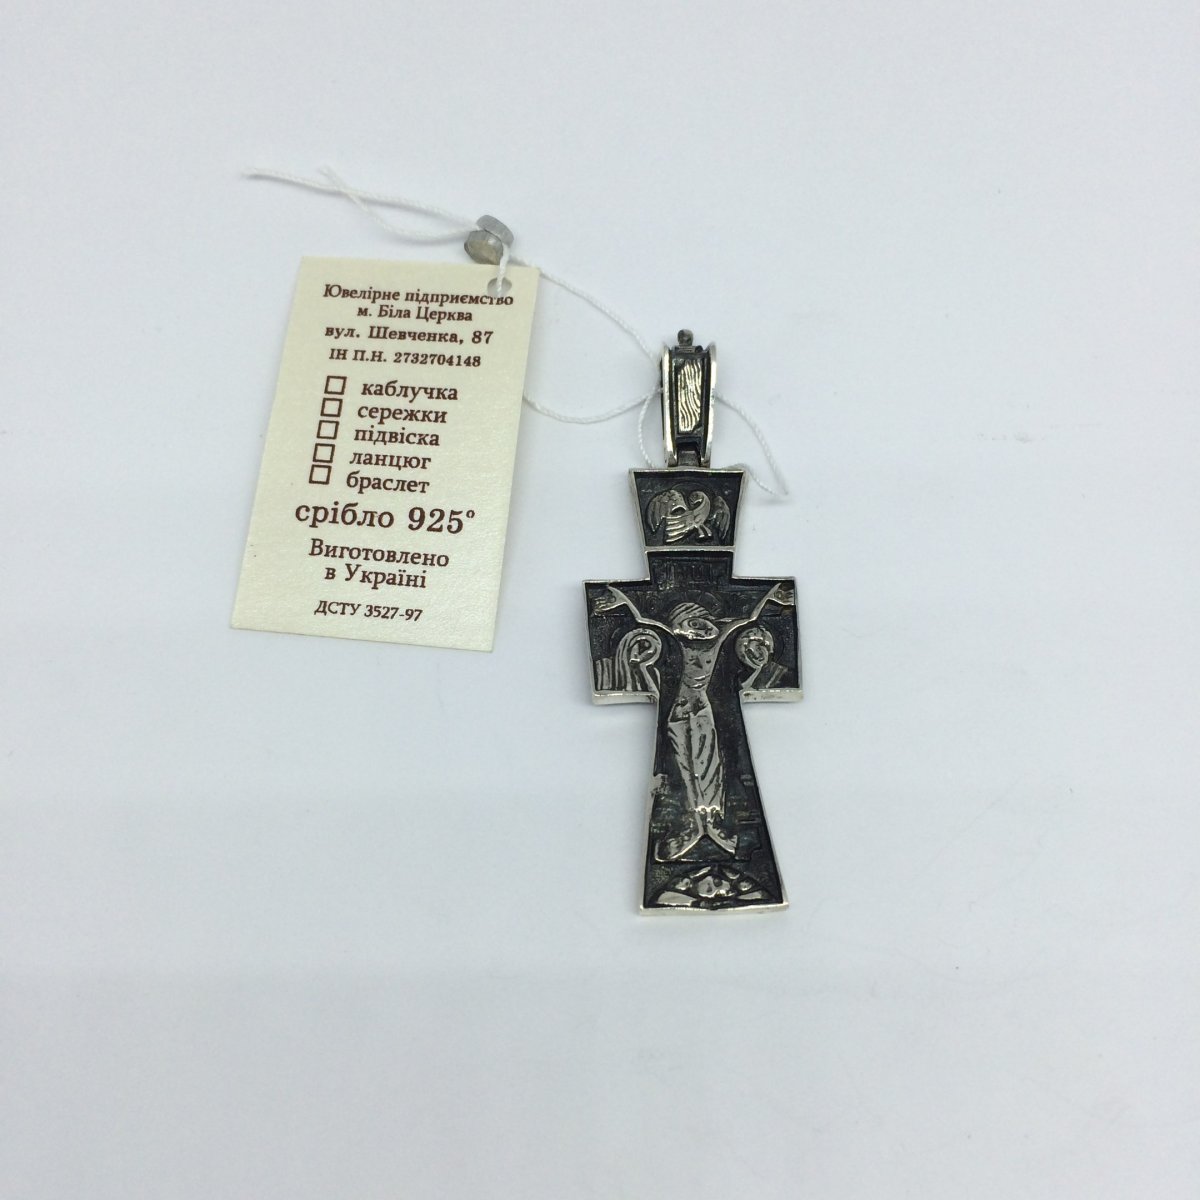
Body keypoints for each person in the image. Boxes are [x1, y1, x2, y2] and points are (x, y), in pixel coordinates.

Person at [592, 581, 793, 860]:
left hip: (702, 710)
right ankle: (694, 825)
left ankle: (713, 823)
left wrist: (773, 595)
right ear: (680, 626)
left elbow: (748, 617)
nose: (706, 628)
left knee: (709, 765)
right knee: (686, 768)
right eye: (695, 623)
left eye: (705, 621)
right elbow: (644, 617)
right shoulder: (674, 643)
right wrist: (618, 598)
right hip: (677, 711)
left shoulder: (718, 638)